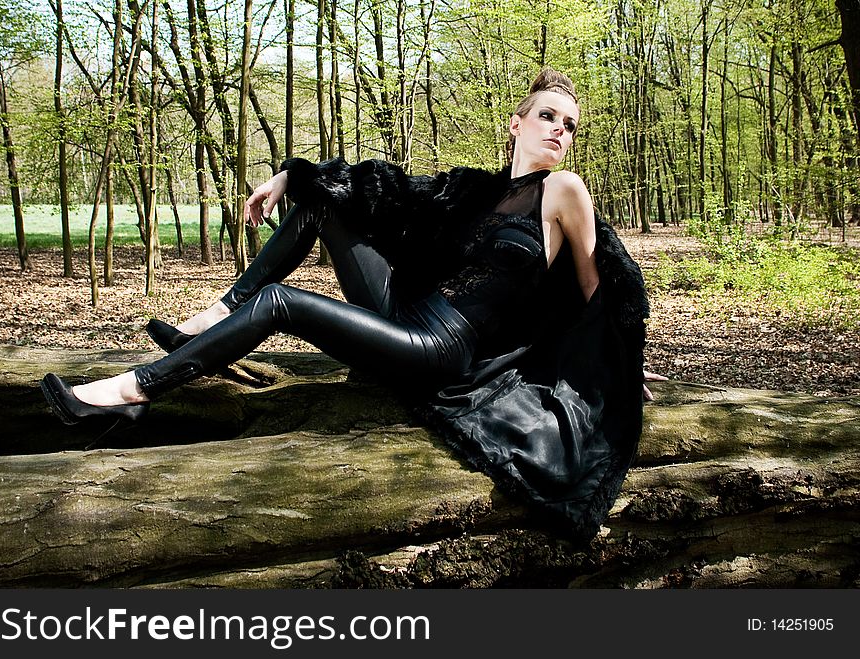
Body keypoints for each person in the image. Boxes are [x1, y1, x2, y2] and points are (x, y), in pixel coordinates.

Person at [41, 67, 650, 541]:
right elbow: (388, 186)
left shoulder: (563, 191)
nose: (559, 131)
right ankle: (223, 310)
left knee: (284, 302)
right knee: (323, 199)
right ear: (516, 124)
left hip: (441, 348)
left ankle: (134, 393)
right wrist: (292, 177)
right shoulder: (475, 191)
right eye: (548, 116)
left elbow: (601, 288)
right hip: (404, 311)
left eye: (569, 126)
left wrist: (620, 369)